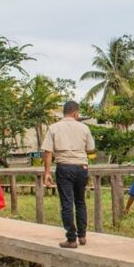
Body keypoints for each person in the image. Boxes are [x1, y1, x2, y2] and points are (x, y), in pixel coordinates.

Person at [42, 100, 96, 248]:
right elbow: (90, 148)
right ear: (75, 113)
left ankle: (71, 239)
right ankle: (82, 236)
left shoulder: (53, 128)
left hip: (64, 167)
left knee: (67, 203)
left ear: (64, 112)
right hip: (81, 167)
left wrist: (47, 173)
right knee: (80, 201)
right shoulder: (84, 128)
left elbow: (47, 152)